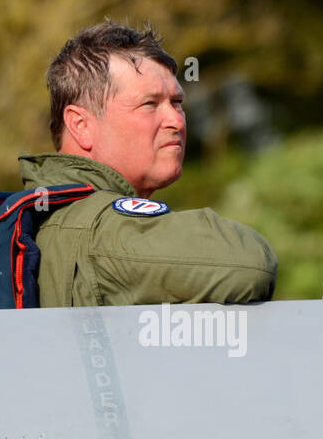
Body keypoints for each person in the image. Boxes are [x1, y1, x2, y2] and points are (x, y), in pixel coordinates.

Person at [21, 21, 277, 308]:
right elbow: (249, 266)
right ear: (81, 125)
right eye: (149, 104)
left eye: (177, 102)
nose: (177, 120)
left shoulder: (41, 217)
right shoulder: (96, 231)